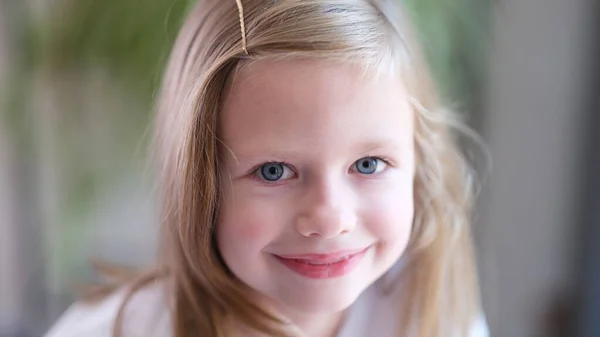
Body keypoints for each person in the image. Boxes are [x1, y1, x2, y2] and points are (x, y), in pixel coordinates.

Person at [44, 0, 489, 336]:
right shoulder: (111, 329)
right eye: (274, 171)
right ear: (201, 184)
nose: (330, 218)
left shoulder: (433, 315)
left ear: (417, 166)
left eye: (368, 164)